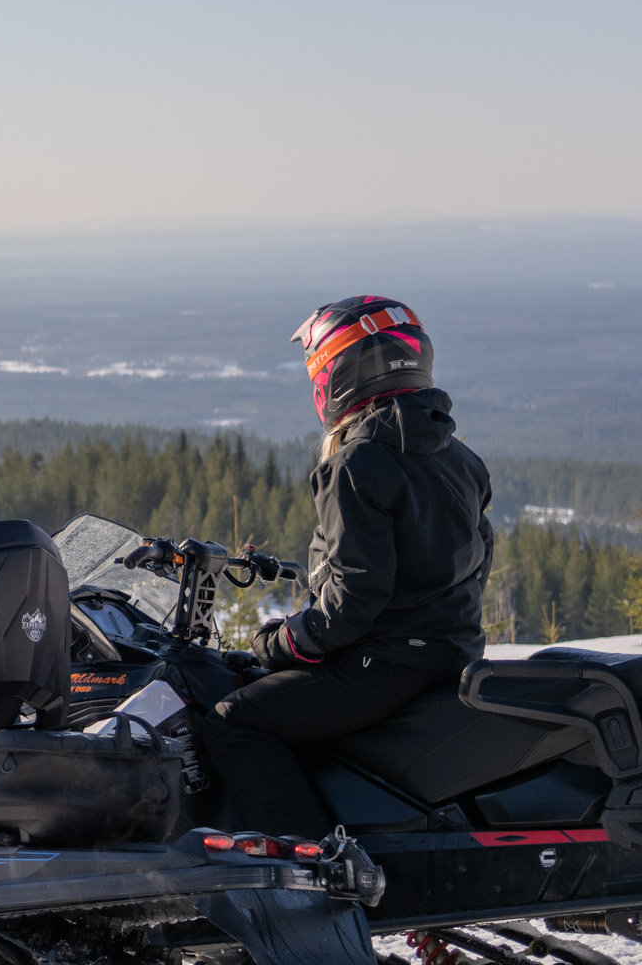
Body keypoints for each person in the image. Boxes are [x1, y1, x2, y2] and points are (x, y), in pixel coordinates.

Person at [196, 297, 495, 838]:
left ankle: (313, 865)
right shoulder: (459, 457)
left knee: (232, 720)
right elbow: (476, 563)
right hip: (449, 653)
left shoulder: (357, 464)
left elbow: (355, 597)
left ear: (340, 375)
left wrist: (284, 642)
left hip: (386, 664)